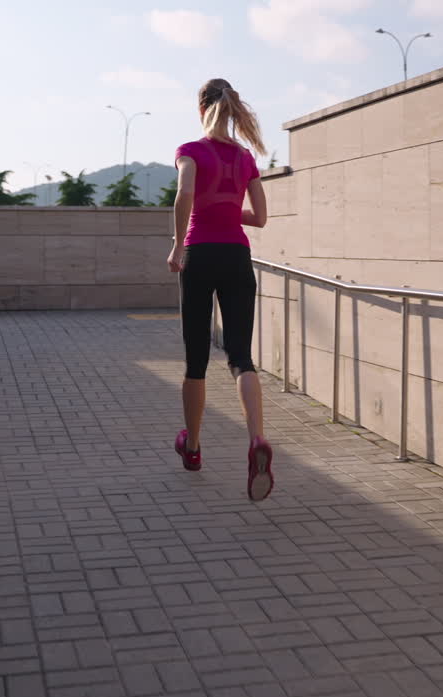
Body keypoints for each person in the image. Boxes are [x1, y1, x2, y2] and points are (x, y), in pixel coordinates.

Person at [167, 78, 273, 501]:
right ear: (232, 110)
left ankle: (193, 448)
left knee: (196, 361)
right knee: (241, 357)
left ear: (201, 109)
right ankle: (257, 438)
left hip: (200, 256)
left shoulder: (190, 151)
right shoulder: (245, 157)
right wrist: (229, 212)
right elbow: (260, 217)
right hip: (236, 257)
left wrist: (178, 245)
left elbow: (184, 195)